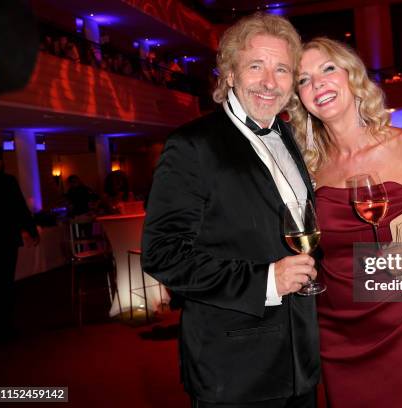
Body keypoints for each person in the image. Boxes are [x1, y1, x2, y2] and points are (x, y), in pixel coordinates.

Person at [141, 13, 320, 407]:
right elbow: (163, 254)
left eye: (282, 69)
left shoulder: (288, 135)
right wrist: (266, 281)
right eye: (256, 66)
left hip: (301, 362)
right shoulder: (192, 146)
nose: (270, 82)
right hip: (235, 369)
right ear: (230, 75)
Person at [291, 37, 402, 407]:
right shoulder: (309, 169)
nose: (317, 83)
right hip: (337, 328)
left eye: (327, 69)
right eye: (303, 79)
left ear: (352, 76)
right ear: (299, 98)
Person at [0, 146, 39, 343]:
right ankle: (5, 327)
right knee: (5, 282)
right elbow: (19, 208)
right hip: (5, 240)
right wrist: (32, 230)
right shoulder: (7, 181)